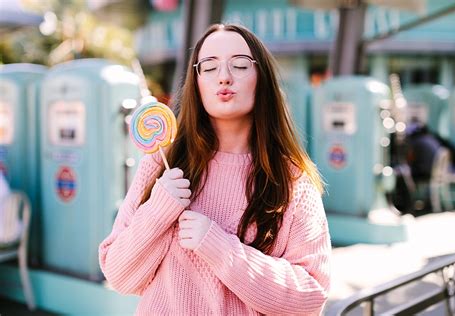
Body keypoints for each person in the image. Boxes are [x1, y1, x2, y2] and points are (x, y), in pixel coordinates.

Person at [99, 23, 331, 315]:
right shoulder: (162, 164)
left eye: (240, 65)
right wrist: (159, 210)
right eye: (209, 68)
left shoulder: (292, 180)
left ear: (262, 79)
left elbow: (311, 296)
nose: (224, 77)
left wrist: (219, 247)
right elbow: (119, 275)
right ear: (196, 83)